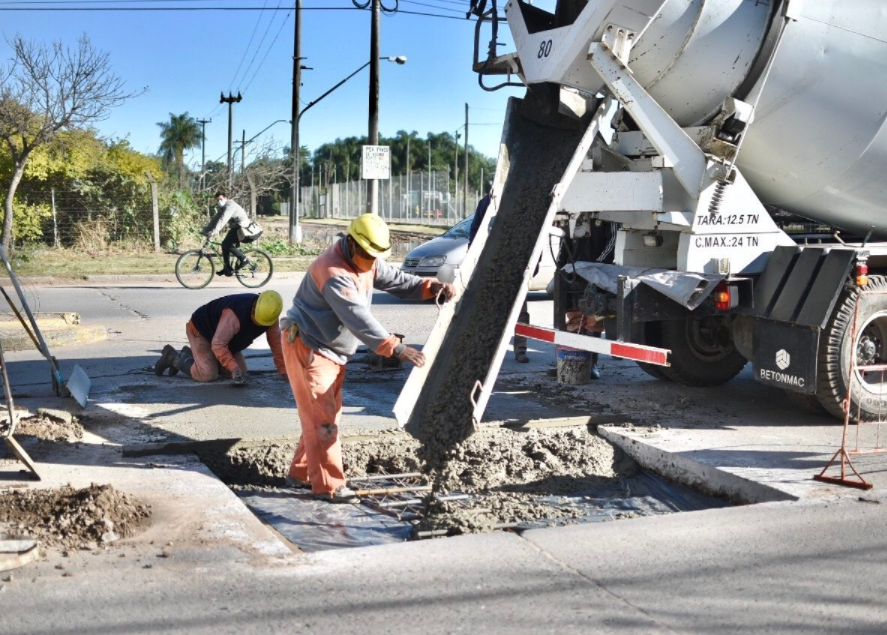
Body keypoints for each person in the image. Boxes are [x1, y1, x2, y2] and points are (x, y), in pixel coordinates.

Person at [281, 214, 456, 503]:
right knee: (323, 420)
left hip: (330, 350)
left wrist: (430, 287)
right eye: (367, 254)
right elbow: (357, 318)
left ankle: (300, 474)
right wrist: (394, 348)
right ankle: (329, 486)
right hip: (309, 347)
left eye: (375, 256)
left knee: (323, 415)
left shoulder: (368, 259)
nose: (371, 261)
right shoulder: (333, 272)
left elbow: (398, 281)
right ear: (351, 243)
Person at [155, 291, 286, 385]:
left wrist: (284, 371)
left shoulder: (269, 317)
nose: (257, 323)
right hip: (202, 332)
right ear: (254, 307)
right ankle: (173, 358)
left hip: (225, 339)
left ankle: (196, 357)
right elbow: (218, 344)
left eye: (261, 322)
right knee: (208, 374)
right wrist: (233, 367)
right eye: (255, 318)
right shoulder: (234, 314)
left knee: (241, 372)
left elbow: (277, 345)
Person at [468, 182, 535, 364]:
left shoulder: (526, 201)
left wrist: (533, 265)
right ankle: (488, 350)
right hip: (493, 265)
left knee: (519, 312)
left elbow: (537, 232)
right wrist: (475, 260)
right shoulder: (487, 203)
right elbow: (476, 232)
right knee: (490, 310)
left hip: (518, 266)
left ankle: (520, 350)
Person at [203, 190, 263, 277]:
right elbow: (215, 219)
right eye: (217, 200)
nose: (219, 202)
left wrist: (215, 231)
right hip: (235, 227)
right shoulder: (223, 208)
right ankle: (227, 268)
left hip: (241, 227)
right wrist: (205, 230)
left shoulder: (230, 205)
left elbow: (223, 219)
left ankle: (244, 259)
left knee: (226, 244)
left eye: (220, 199)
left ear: (225, 197)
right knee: (224, 244)